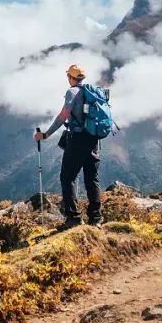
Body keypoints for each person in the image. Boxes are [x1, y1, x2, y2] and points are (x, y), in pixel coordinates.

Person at [34, 64, 103, 227]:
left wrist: (46, 134)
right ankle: (96, 219)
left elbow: (63, 115)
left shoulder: (72, 92)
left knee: (67, 178)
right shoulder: (93, 92)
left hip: (78, 139)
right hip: (94, 139)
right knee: (92, 178)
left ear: (70, 77)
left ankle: (73, 218)